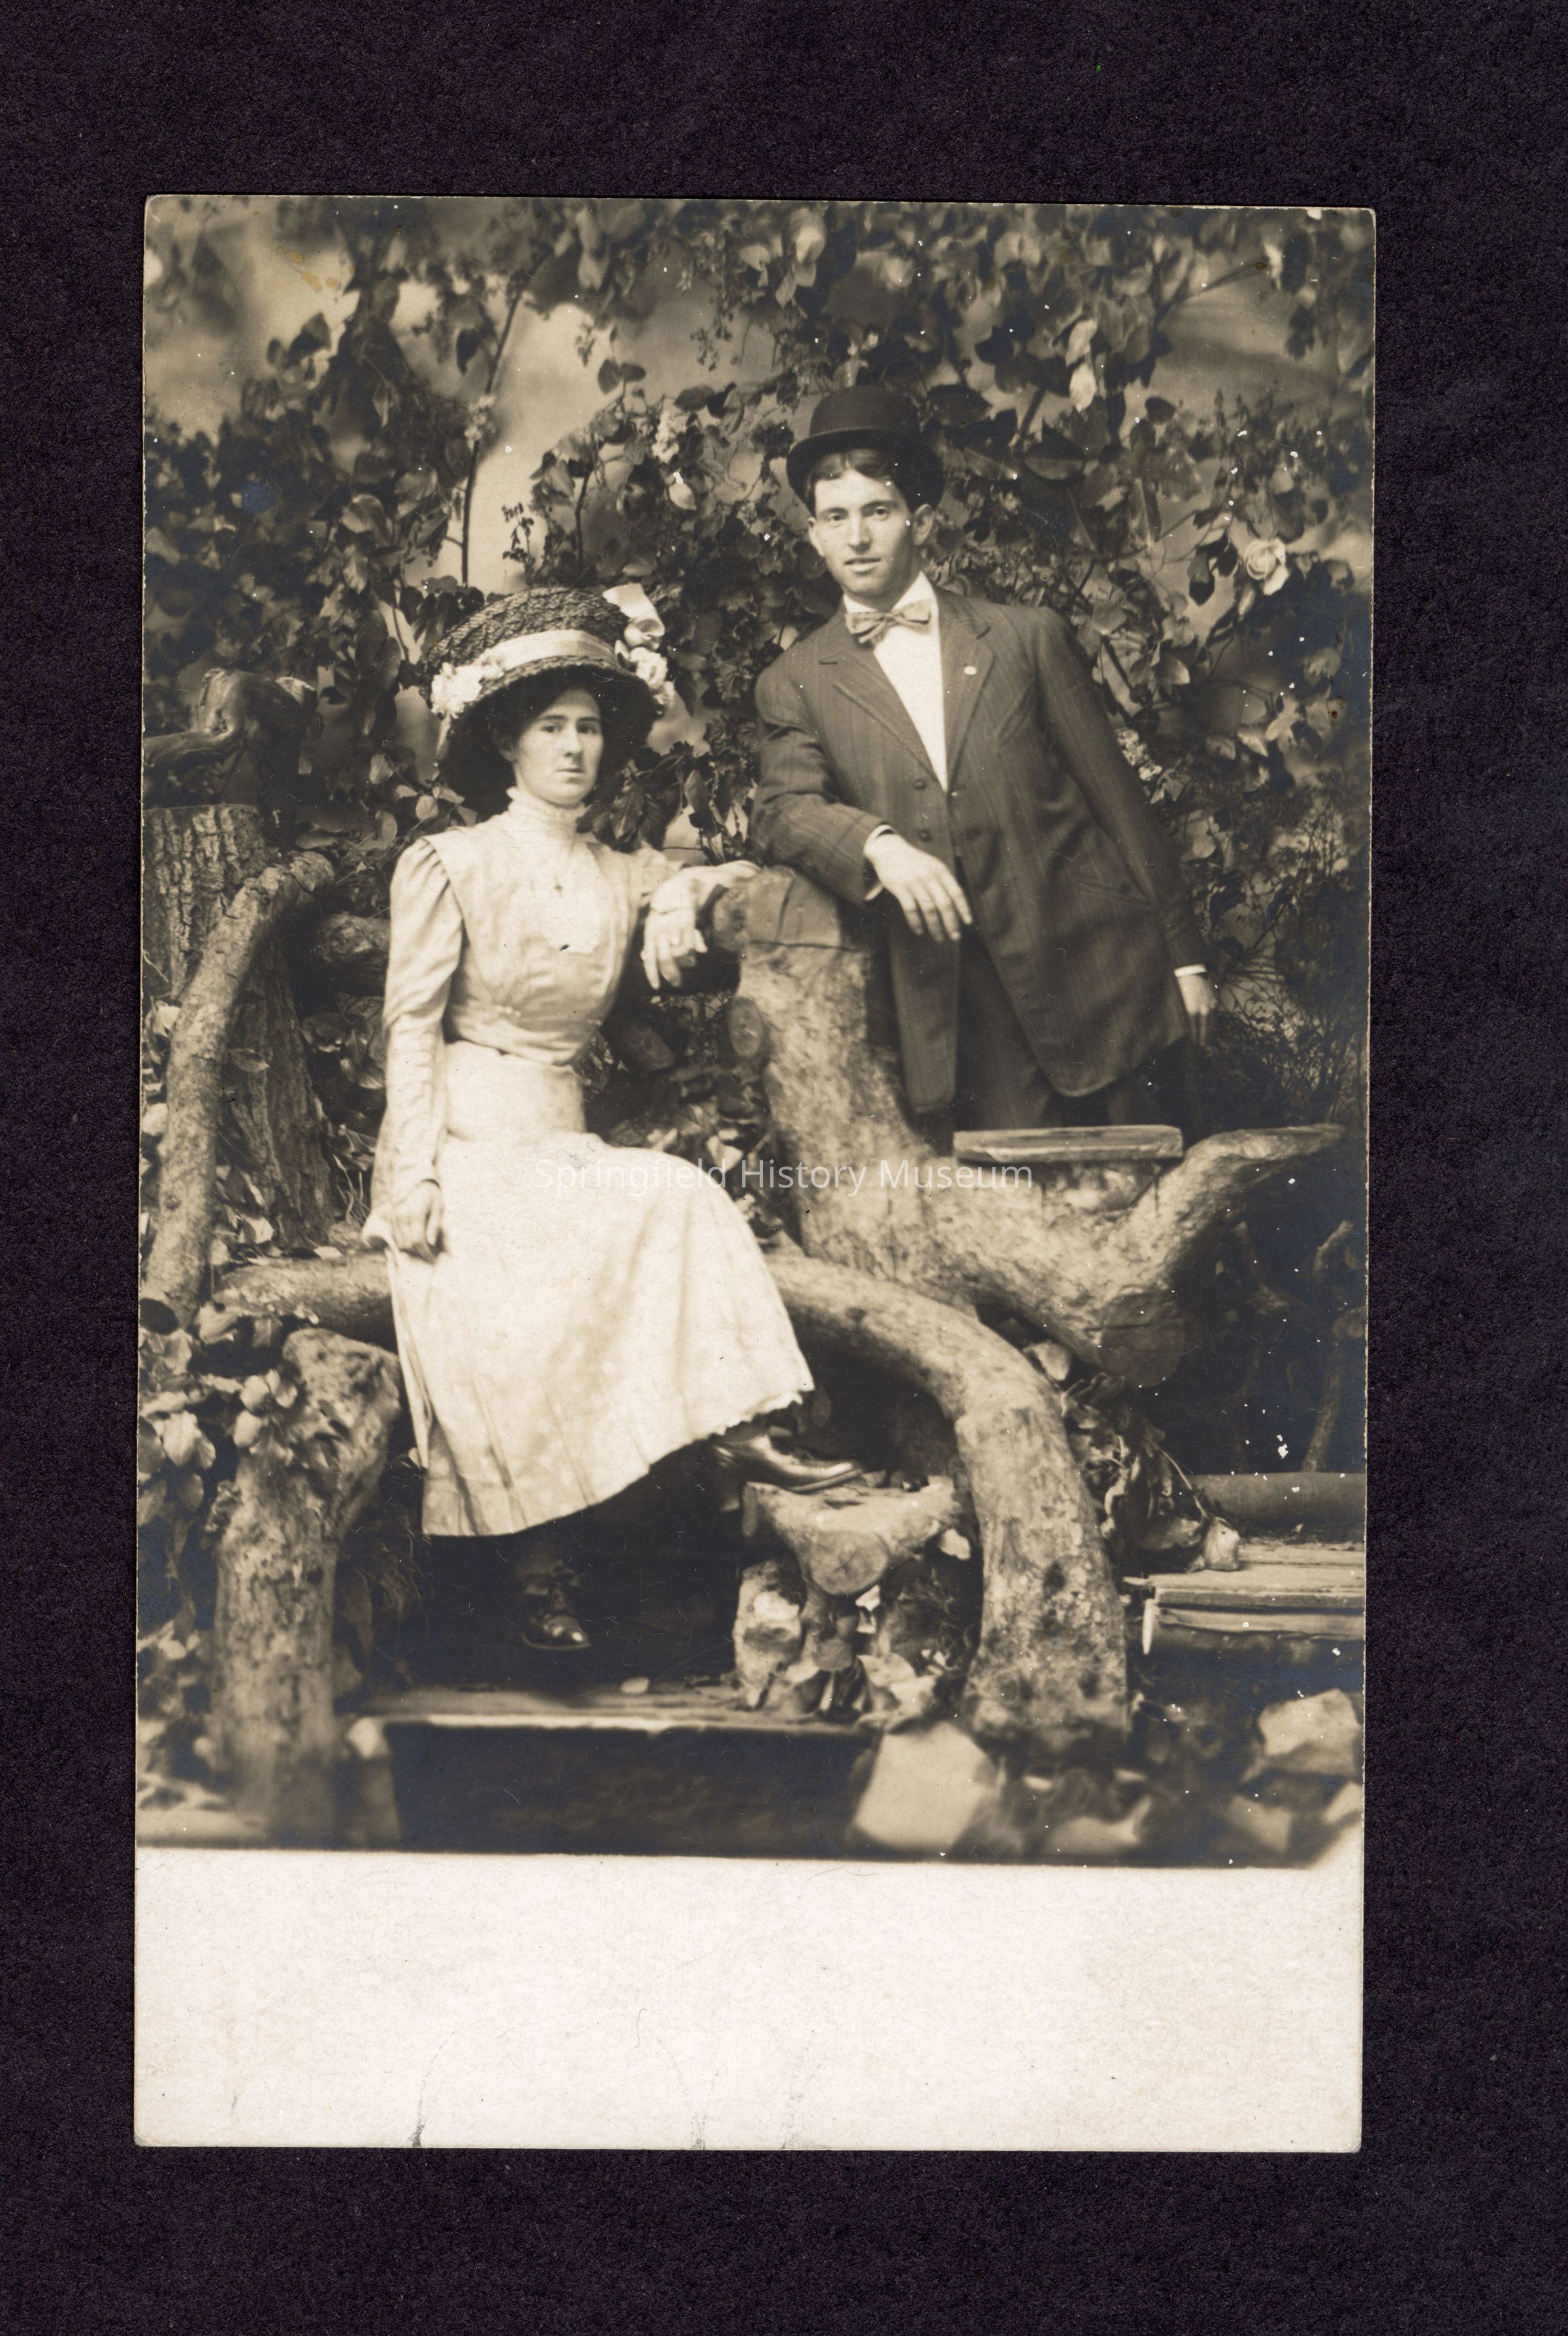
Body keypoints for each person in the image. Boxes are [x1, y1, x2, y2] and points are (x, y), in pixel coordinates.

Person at [364, 585, 851, 1663]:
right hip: (468, 1141)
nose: (576, 748)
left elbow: (730, 876)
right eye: (552, 727)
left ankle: (746, 1426)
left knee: (675, 1195)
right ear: (507, 740)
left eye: (589, 727)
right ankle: (540, 1565)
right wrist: (414, 1178)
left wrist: (681, 897)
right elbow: (409, 1027)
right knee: (519, 1286)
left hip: (560, 1139)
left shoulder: (622, 870)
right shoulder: (451, 863)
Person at [749, 385, 1218, 1134]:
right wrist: (879, 845)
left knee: (1168, 1188)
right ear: (813, 534)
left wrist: (1186, 960)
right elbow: (782, 810)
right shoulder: (797, 680)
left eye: (878, 511)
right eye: (836, 518)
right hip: (966, 1018)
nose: (857, 537)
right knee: (1022, 1202)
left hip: (1109, 983)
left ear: (921, 519)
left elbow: (1121, 807)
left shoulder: (1025, 638)